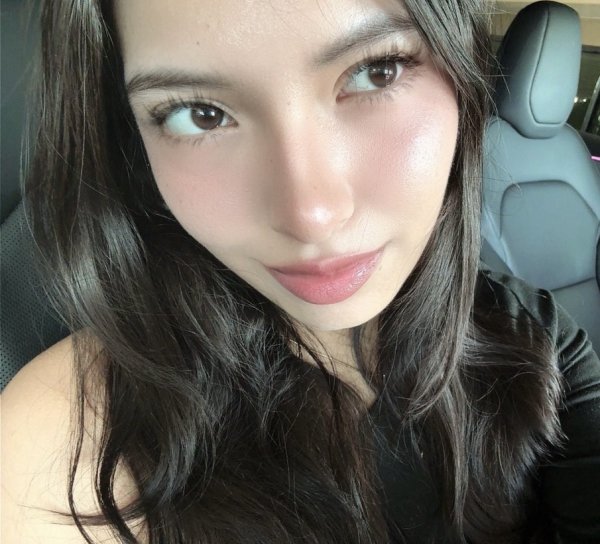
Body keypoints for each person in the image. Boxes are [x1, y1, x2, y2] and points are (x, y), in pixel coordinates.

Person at [2, 0, 599, 542]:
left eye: (377, 72)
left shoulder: (536, 333)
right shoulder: (67, 441)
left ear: (462, 79)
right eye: (200, 114)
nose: (311, 215)